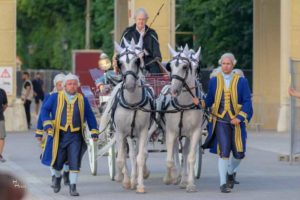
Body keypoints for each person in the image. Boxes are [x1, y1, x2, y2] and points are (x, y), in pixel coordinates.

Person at [40, 73, 99, 196]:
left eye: (74, 84)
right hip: (59, 135)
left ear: (77, 86)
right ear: (64, 86)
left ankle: (73, 187)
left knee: (74, 161)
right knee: (57, 162)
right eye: (69, 84)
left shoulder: (82, 99)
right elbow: (44, 110)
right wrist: (47, 124)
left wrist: (94, 130)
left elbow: (89, 115)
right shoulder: (55, 97)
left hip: (75, 136)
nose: (72, 86)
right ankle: (57, 178)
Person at [202, 53, 253, 193]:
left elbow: (248, 101)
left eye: (228, 64)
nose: (226, 66)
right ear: (221, 64)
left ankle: (230, 171)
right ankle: (223, 183)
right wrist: (200, 102)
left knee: (239, 154)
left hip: (237, 121)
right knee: (224, 151)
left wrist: (240, 117)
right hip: (220, 121)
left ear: (233, 65)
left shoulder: (242, 81)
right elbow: (210, 99)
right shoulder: (214, 80)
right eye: (223, 64)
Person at [35, 73, 70, 187]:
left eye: (63, 84)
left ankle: (65, 173)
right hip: (52, 130)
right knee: (51, 154)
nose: (61, 87)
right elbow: (42, 115)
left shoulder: (70, 97)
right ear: (56, 85)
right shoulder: (49, 96)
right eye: (59, 85)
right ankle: (54, 176)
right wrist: (39, 132)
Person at [120, 7, 162, 74]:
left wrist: (157, 57)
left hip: (148, 61)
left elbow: (156, 51)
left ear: (146, 20)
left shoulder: (152, 33)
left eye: (143, 19)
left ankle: (155, 84)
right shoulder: (128, 32)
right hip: (131, 59)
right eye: (139, 19)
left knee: (155, 68)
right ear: (135, 19)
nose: (141, 22)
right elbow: (122, 49)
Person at [0, 88, 8, 162]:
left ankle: (0, 154)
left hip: (0, 118)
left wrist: (1, 111)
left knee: (1, 137)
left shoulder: (2, 92)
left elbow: (5, 104)